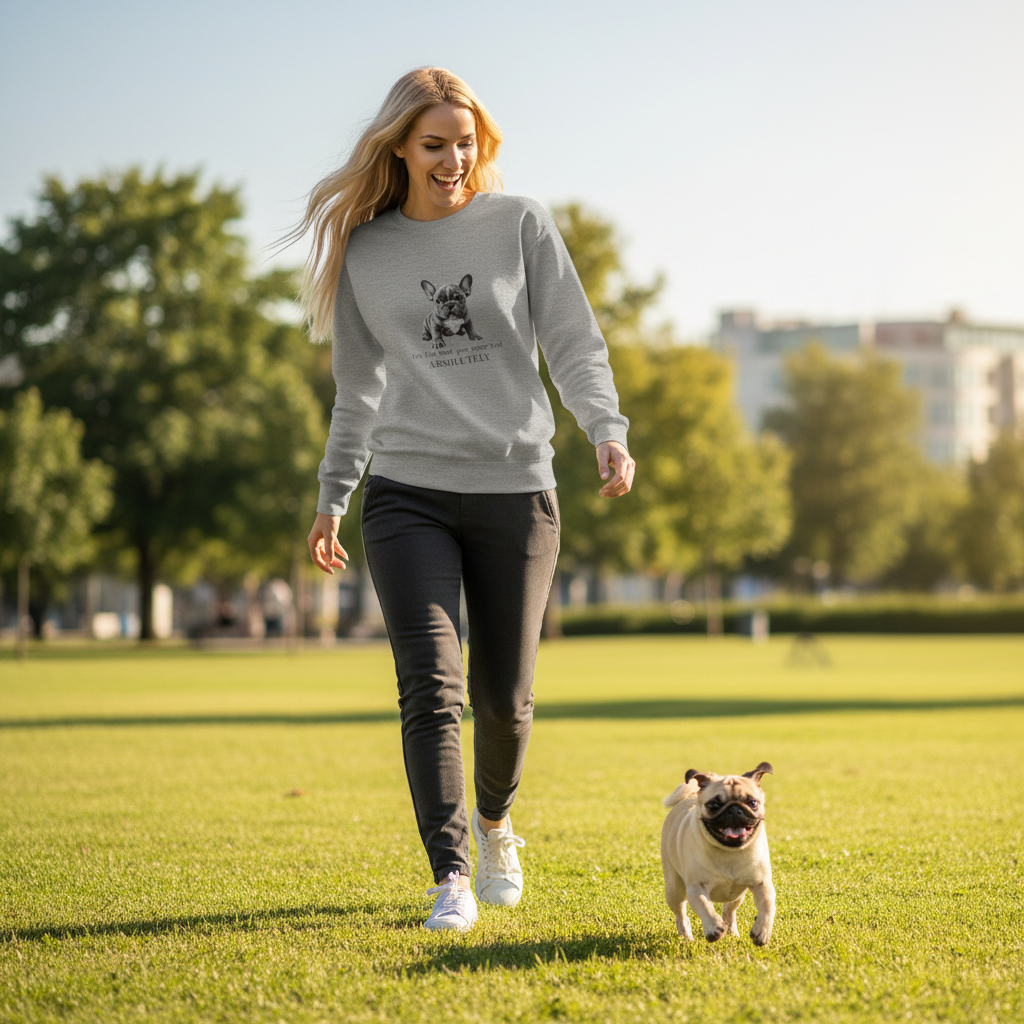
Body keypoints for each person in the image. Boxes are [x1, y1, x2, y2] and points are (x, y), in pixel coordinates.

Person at [300, 67, 635, 932]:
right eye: (435, 145)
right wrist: (335, 494)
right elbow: (357, 389)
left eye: (466, 143)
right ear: (401, 150)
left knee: (504, 698)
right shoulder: (367, 251)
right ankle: (450, 875)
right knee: (429, 687)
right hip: (406, 492)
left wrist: (605, 427)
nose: (454, 159)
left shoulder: (518, 223)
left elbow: (571, 337)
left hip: (516, 488)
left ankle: (495, 828)